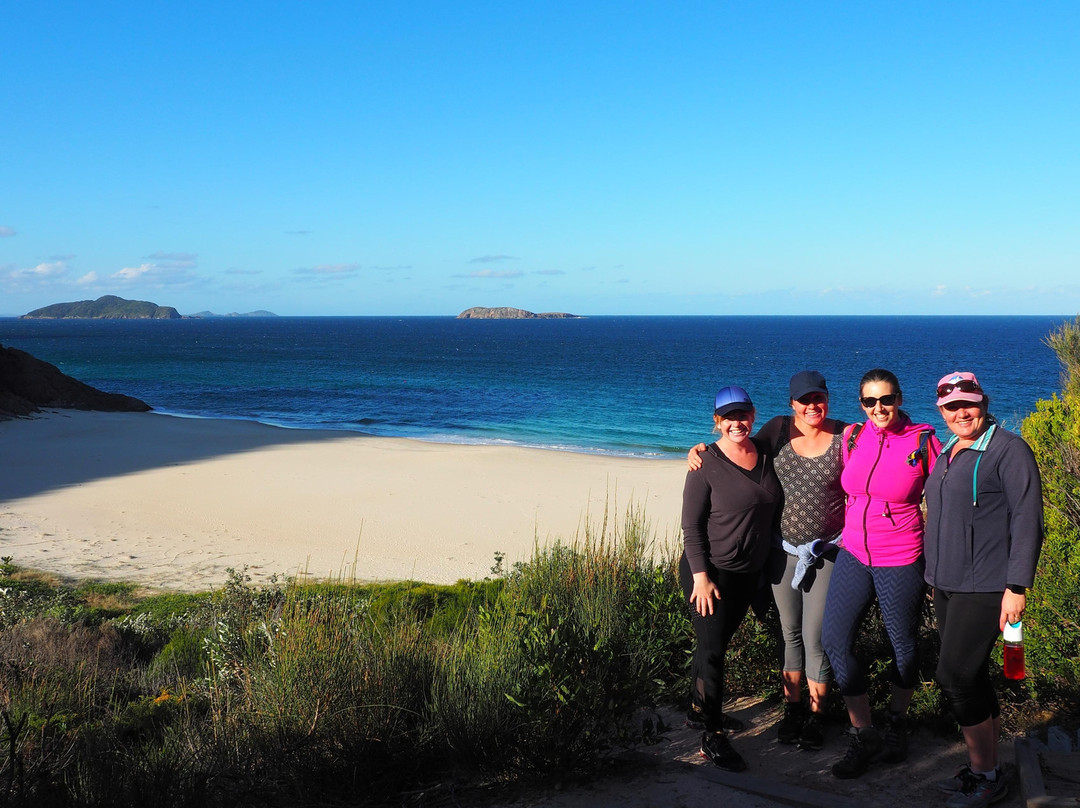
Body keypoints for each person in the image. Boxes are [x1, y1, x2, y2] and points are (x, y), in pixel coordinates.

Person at [687, 370, 846, 750]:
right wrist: (698, 449)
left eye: (742, 414)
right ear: (790, 404)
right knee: (727, 644)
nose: (811, 405)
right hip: (742, 565)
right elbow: (693, 522)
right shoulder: (769, 435)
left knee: (810, 637)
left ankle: (814, 715)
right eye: (803, 399)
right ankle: (721, 727)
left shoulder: (835, 435)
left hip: (796, 558)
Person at [923, 372, 1043, 807]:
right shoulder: (949, 450)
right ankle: (987, 769)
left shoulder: (1008, 451)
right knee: (971, 675)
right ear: (940, 411)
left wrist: (1017, 586)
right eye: (951, 407)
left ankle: (986, 777)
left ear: (984, 403)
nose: (961, 413)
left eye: (968, 404)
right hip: (946, 582)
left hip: (987, 585)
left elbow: (1027, 519)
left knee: (952, 676)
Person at [821, 368, 941, 779]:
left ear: (900, 398)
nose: (879, 408)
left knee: (904, 647)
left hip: (901, 555)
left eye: (886, 399)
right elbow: (801, 429)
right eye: (870, 401)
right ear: (860, 404)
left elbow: (953, 484)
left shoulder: (923, 440)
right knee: (833, 639)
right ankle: (864, 732)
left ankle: (896, 721)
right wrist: (706, 449)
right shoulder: (853, 436)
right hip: (853, 551)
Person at [681, 385, 781, 772]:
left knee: (714, 643)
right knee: (712, 652)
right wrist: (701, 578)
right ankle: (712, 735)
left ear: (753, 416)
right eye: (728, 417)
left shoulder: (767, 448)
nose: (737, 423)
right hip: (709, 572)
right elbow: (691, 526)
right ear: (717, 422)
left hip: (746, 573)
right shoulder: (705, 463)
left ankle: (695, 711)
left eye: (743, 415)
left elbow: (807, 418)